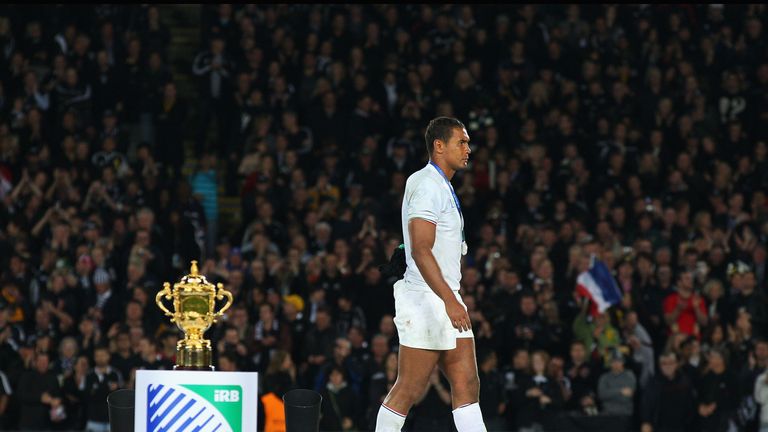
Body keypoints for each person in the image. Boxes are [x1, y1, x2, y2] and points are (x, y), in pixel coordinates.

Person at [376, 117, 486, 431]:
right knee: (409, 388)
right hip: (426, 298)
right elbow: (422, 250)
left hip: (445, 296)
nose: (467, 149)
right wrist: (450, 300)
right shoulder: (426, 184)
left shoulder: (440, 186)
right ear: (439, 145)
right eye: (461, 142)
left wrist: (452, 299)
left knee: (467, 384)